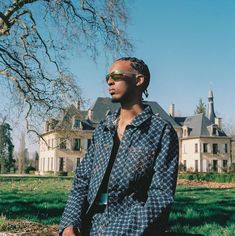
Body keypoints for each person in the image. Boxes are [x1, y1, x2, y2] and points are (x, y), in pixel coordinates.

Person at [59, 57, 179, 236]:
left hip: (132, 230)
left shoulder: (161, 131)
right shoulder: (104, 128)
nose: (109, 81)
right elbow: (82, 180)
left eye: (116, 75)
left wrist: (117, 231)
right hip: (90, 226)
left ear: (139, 80)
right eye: (108, 76)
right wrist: (69, 223)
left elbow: (160, 196)